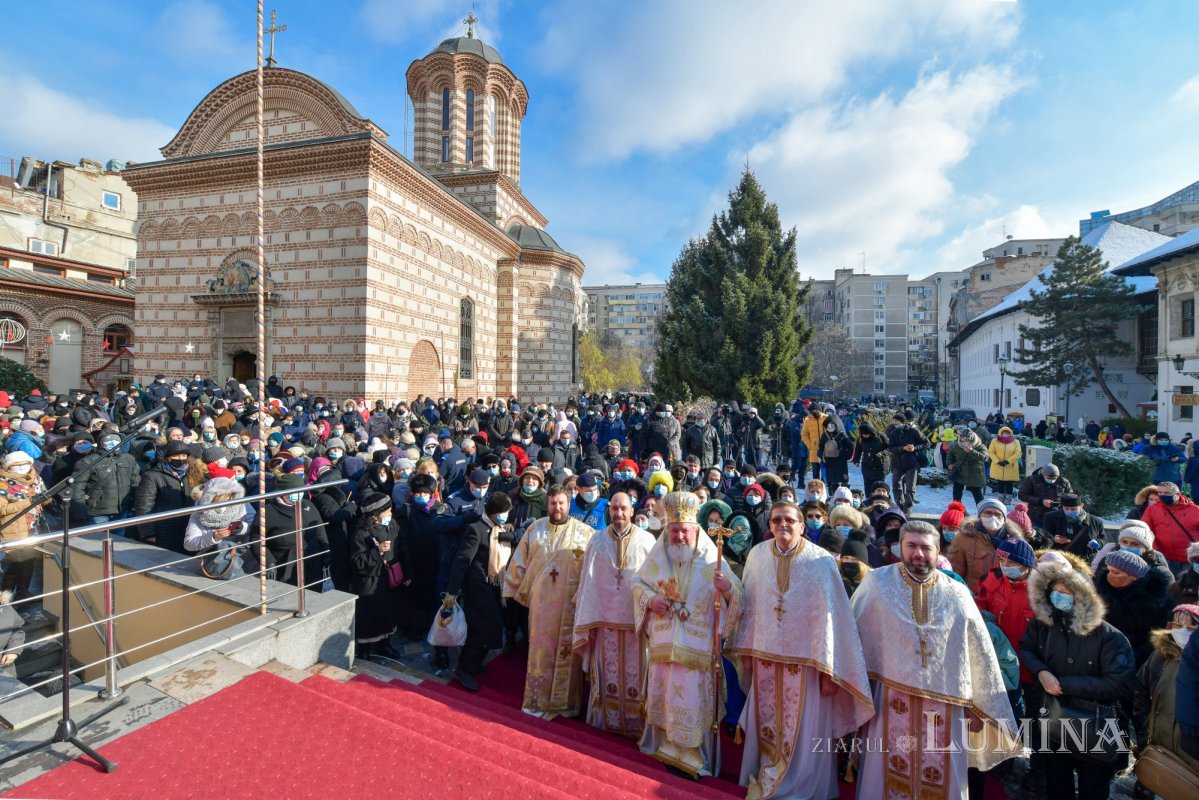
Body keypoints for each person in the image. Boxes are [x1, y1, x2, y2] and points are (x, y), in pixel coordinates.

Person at [853, 520, 1021, 799]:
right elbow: (857, 639)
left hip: (946, 702)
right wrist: (859, 694)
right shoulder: (877, 583)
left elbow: (977, 652)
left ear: (937, 550)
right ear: (901, 547)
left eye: (925, 548)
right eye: (911, 546)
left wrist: (977, 706)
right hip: (889, 698)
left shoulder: (956, 594)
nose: (918, 554)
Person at [729, 499, 874, 799]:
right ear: (769, 525)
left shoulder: (821, 561)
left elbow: (834, 618)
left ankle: (804, 789)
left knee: (805, 732)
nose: (783, 524)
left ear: (802, 526)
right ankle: (765, 779)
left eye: (789, 520)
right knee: (766, 727)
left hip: (807, 668)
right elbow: (750, 609)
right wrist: (746, 653)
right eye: (776, 520)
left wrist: (830, 673)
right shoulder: (757, 555)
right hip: (765, 660)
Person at [633, 491, 743, 778]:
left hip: (697, 650)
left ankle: (695, 756)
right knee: (665, 697)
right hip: (664, 646)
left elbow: (739, 597)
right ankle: (663, 745)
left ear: (696, 531)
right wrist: (649, 600)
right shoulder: (660, 555)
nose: (679, 536)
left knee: (691, 701)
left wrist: (728, 589)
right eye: (674, 530)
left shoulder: (712, 559)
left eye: (685, 530)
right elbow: (639, 583)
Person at [1019, 559, 1137, 799]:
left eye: (1067, 592)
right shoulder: (1044, 624)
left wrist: (1063, 684)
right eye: (1056, 592)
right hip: (1054, 722)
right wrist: (1041, 671)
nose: (1059, 597)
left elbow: (1120, 683)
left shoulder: (1109, 637)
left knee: (1092, 788)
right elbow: (1027, 648)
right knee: (1057, 784)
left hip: (1095, 727)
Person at [503, 485, 595, 718]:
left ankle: (566, 705)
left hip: (570, 607)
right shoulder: (535, 529)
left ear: (569, 503)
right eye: (553, 503)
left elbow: (594, 570)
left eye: (561, 503)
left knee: (568, 655)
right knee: (540, 652)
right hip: (541, 607)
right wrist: (510, 592)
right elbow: (519, 562)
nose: (557, 508)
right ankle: (537, 701)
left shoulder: (585, 534)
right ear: (548, 504)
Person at [571, 491, 655, 738]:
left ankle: (638, 728)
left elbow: (653, 583)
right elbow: (588, 583)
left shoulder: (648, 541)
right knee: (606, 678)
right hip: (605, 624)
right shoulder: (597, 541)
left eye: (623, 509)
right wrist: (589, 619)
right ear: (609, 510)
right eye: (615, 509)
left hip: (636, 626)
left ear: (632, 511)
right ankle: (603, 726)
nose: (619, 514)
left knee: (637, 679)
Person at [445, 492, 509, 691]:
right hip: (476, 587)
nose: (505, 516)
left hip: (492, 586)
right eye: (503, 512)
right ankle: (464, 669)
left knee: (482, 629)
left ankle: (472, 663)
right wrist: (451, 593)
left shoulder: (498, 530)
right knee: (485, 629)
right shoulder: (476, 530)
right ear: (493, 512)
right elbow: (462, 561)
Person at [1133, 605, 1199, 787]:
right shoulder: (1160, 656)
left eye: (1190, 627)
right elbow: (1141, 691)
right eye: (1177, 625)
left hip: (1192, 751)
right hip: (1160, 743)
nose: (1182, 631)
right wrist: (1145, 727)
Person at [1093, 549, 1175, 669]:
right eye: (1108, 570)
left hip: (1140, 663)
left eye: (1115, 572)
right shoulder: (1099, 594)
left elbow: (1161, 636)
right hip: (1102, 658)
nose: (1109, 575)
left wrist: (1132, 656)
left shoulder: (1159, 601)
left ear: (1133, 577)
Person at [349, 492, 405, 660]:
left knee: (387, 613)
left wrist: (406, 571)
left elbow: (401, 549)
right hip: (369, 581)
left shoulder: (392, 525)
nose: (390, 515)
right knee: (368, 616)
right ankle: (364, 649)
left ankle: (384, 645)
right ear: (375, 514)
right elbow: (357, 562)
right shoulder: (361, 534)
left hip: (388, 578)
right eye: (387, 512)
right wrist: (377, 551)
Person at [131, 440, 195, 553]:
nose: (180, 458)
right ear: (167, 457)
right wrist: (148, 532)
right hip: (164, 530)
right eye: (176, 455)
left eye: (183, 455)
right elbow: (144, 505)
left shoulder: (191, 474)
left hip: (187, 527)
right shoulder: (152, 476)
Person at [947, 498, 1022, 592]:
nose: (993, 517)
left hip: (1004, 596)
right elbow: (955, 571)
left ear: (1004, 519)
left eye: (998, 514)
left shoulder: (1015, 541)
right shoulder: (964, 538)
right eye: (988, 513)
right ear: (979, 516)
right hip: (974, 595)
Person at [1141, 482, 1199, 576]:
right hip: (1164, 558)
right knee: (1168, 587)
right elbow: (1144, 530)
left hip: (1191, 559)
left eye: (1166, 493)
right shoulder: (1152, 509)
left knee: (1190, 588)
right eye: (1160, 493)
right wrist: (1154, 551)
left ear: (1178, 494)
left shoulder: (1195, 510)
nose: (1162, 495)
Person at [887, 410, 929, 514]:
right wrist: (903, 448)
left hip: (911, 463)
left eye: (896, 421)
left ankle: (908, 507)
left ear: (903, 422)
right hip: (897, 463)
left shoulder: (913, 431)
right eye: (893, 421)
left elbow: (926, 443)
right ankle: (900, 506)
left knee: (910, 487)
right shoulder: (893, 433)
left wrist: (915, 448)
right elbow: (891, 448)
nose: (894, 423)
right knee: (896, 485)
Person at [1018, 463, 1072, 529]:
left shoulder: (1064, 482)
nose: (1052, 480)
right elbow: (1022, 495)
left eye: (1054, 478)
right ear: (1043, 475)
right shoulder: (1031, 480)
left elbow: (1070, 497)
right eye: (1049, 478)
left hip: (1057, 517)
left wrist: (1061, 503)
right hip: (1036, 517)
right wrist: (1041, 501)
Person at [946, 426, 988, 509]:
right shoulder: (957, 445)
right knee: (957, 494)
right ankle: (956, 511)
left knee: (977, 494)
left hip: (975, 474)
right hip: (960, 472)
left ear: (972, 439)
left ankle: (983, 511)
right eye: (963, 440)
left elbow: (985, 457)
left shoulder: (980, 446)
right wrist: (949, 464)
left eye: (967, 440)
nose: (964, 442)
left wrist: (972, 451)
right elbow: (950, 453)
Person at [851, 422, 890, 497]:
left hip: (880, 465)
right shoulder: (860, 439)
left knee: (879, 486)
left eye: (867, 434)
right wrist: (856, 460)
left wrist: (882, 453)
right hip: (867, 465)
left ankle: (880, 500)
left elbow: (889, 448)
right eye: (863, 434)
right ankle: (869, 502)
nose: (865, 436)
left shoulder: (880, 436)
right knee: (868, 486)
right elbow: (858, 450)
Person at [986, 426, 1022, 503]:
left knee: (1009, 483)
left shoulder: (1015, 442)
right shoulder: (994, 441)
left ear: (1010, 434)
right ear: (1000, 433)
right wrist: (997, 461)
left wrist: (1008, 461)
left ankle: (1008, 499)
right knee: (1000, 483)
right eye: (1004, 433)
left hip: (1010, 466)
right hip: (998, 465)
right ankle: (1001, 498)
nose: (1005, 434)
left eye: (1007, 433)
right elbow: (991, 452)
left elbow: (1018, 453)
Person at [818, 418, 852, 493]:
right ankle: (835, 494)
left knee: (838, 478)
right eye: (829, 425)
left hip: (835, 459)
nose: (830, 427)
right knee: (835, 478)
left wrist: (847, 456)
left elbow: (850, 445)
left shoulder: (840, 434)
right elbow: (820, 446)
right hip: (833, 459)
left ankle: (842, 493)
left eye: (832, 425)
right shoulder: (827, 434)